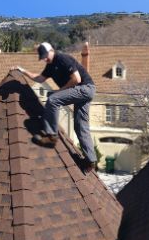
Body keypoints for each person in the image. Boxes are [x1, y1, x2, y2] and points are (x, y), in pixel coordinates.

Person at [17, 42, 97, 172]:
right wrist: (22, 71)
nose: (45, 59)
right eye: (42, 57)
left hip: (85, 88)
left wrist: (60, 91)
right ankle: (90, 161)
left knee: (53, 99)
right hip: (84, 91)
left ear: (51, 50)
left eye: (45, 56)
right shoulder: (50, 66)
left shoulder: (62, 58)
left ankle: (51, 136)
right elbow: (39, 78)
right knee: (80, 126)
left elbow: (76, 79)